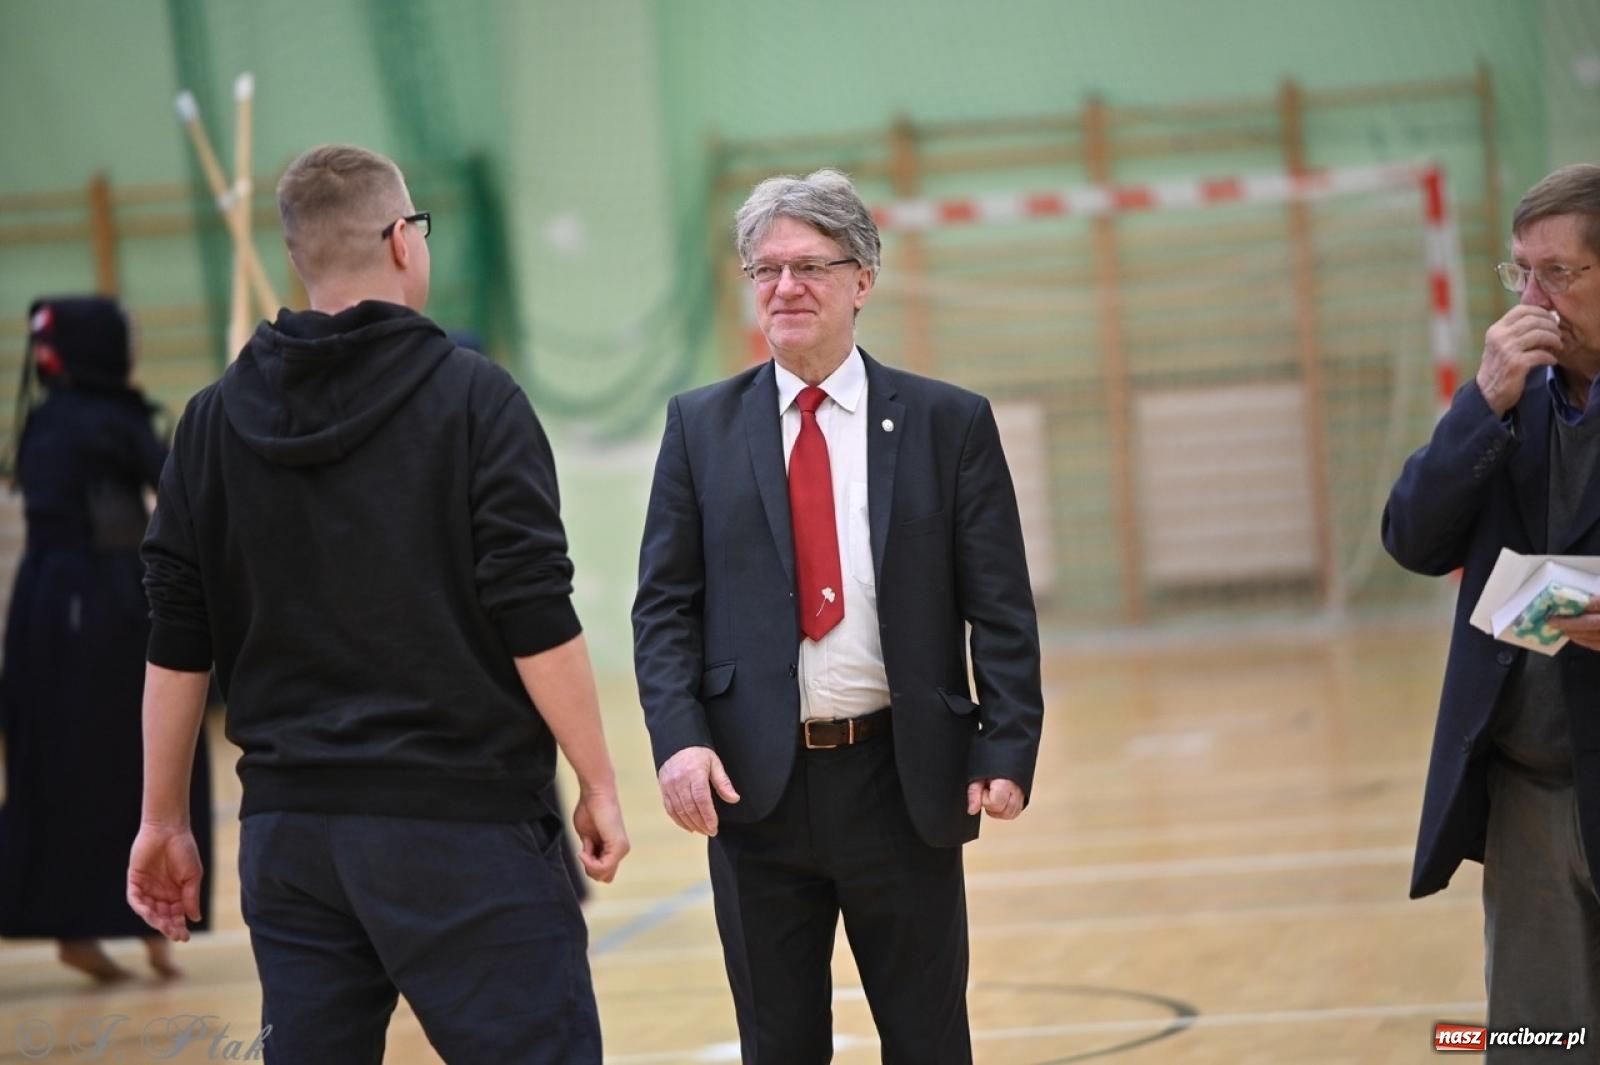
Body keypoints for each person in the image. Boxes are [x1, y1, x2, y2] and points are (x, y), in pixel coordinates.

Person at [127, 144, 628, 1064]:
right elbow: (533, 608)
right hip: (462, 823)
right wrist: (596, 779)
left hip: (290, 842)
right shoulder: (476, 399)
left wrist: (164, 819)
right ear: (402, 241)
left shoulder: (208, 419)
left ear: (297, 258)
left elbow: (176, 638)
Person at [632, 168, 1045, 1064]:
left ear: (864, 280)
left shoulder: (948, 423)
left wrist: (1007, 744)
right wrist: (678, 738)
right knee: (778, 1046)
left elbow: (1000, 603)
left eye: (810, 266)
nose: (785, 287)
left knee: (929, 1040)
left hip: (903, 780)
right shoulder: (699, 426)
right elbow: (664, 608)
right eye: (766, 268)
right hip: (754, 791)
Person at [1383, 163, 1600, 1052]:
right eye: (1522, 271)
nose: (1535, 298)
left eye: (1560, 272)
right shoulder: (1511, 396)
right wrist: (1481, 404)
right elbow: (1413, 537)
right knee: (1538, 1041)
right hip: (1532, 787)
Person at [0, 296, 212, 982]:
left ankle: (101, 925)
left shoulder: (46, 418)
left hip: (47, 613)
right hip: (106, 613)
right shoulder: (107, 420)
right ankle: (142, 922)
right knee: (138, 759)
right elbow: (179, 489)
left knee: (66, 768)